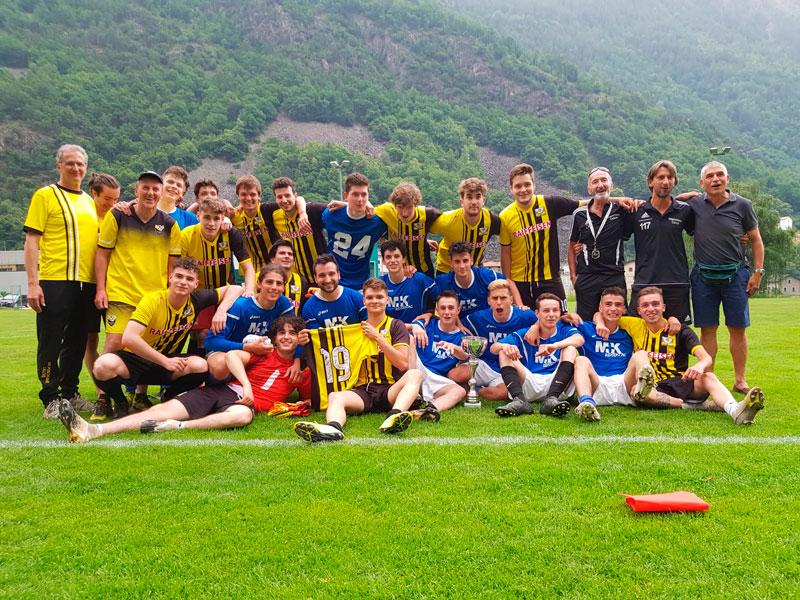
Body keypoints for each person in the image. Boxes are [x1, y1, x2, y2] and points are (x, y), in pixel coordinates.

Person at [55, 314, 311, 444]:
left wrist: (303, 397)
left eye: (293, 333)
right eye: (282, 333)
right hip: (224, 391)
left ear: (300, 337)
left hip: (245, 406)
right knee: (161, 410)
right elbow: (232, 356)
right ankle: (92, 430)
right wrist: (246, 385)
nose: (286, 337)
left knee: (242, 416)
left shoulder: (302, 370)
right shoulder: (264, 353)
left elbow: (313, 396)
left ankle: (176, 426)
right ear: (275, 337)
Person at [91, 257, 242, 419]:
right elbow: (129, 338)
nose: (183, 282)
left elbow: (235, 288)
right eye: (179, 276)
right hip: (137, 361)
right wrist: (164, 361)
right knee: (102, 365)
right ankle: (120, 402)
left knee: (200, 365)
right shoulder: (152, 300)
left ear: (195, 284)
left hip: (168, 362)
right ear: (170, 278)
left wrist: (221, 310)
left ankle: (169, 397)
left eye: (189, 279)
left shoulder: (196, 301)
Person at [597, 286, 764, 424]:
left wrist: (699, 366)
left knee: (708, 377)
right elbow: (602, 314)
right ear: (639, 310)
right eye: (645, 305)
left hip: (680, 381)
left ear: (663, 307)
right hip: (654, 387)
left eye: (655, 304)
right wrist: (599, 322)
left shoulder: (680, 330)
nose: (651, 309)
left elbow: (706, 358)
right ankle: (699, 406)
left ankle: (735, 410)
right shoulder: (633, 324)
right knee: (637, 392)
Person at [94, 170, 182, 413]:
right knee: (114, 342)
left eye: (155, 189)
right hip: (121, 292)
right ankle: (105, 398)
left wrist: (169, 294)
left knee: (146, 345)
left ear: (161, 193)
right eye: (145, 187)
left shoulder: (169, 224)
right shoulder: (118, 216)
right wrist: (101, 288)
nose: (150, 193)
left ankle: (140, 396)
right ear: (136, 191)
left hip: (153, 297)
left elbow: (173, 264)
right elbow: (102, 253)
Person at [294, 278, 423, 442]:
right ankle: (333, 428)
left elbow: (402, 363)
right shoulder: (355, 329)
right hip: (364, 391)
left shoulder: (396, 326)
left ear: (387, 300)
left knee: (414, 374)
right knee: (335, 396)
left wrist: (378, 338)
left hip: (390, 390)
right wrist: (306, 339)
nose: (374, 301)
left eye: (379, 297)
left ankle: (394, 417)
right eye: (370, 297)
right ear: (364, 301)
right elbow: (326, 342)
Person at [23, 144, 99, 417]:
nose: (76, 168)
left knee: (77, 341)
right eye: (70, 163)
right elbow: (32, 241)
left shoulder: (89, 201)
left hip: (86, 283)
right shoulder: (46, 195)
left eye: (80, 164)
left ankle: (70, 393)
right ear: (59, 166)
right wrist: (33, 284)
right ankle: (50, 397)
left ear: (86, 168)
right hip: (55, 280)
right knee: (50, 341)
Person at [688, 161, 765, 394]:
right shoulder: (694, 204)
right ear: (702, 183)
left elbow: (756, 240)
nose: (716, 179)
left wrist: (758, 273)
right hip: (703, 277)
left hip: (736, 276)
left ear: (727, 178)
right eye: (710, 176)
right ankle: (709, 380)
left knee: (737, 329)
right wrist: (689, 195)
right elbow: (675, 200)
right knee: (707, 330)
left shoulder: (743, 205)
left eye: (720, 174)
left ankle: (740, 381)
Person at [499, 163, 582, 310]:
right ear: (511, 189)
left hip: (551, 279)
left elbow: (589, 204)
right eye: (518, 186)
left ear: (534, 185)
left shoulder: (550, 203)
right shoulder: (505, 217)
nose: (523, 190)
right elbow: (506, 257)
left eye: (527, 184)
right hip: (521, 283)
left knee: (561, 320)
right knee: (526, 321)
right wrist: (512, 291)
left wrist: (619, 201)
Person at [181, 197, 255, 354]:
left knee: (215, 333)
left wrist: (249, 290)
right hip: (199, 294)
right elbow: (179, 269)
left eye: (216, 218)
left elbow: (248, 267)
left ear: (222, 219)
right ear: (198, 216)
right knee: (198, 335)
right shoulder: (187, 235)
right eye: (207, 217)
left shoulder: (230, 233)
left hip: (226, 292)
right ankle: (199, 367)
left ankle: (217, 366)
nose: (211, 223)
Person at [492, 293, 584, 417]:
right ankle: (519, 400)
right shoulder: (525, 333)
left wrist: (555, 346)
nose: (551, 314)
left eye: (555, 310)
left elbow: (579, 339)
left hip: (557, 385)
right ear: (537, 313)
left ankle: (551, 400)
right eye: (546, 311)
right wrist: (505, 346)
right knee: (504, 351)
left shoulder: (564, 329)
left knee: (570, 349)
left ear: (560, 313)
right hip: (530, 382)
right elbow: (494, 347)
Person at [625, 160, 694, 323]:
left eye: (670, 177)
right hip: (644, 283)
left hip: (677, 284)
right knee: (637, 332)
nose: (665, 182)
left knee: (677, 333)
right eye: (661, 177)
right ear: (650, 181)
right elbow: (614, 237)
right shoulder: (636, 211)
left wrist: (741, 235)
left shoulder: (684, 210)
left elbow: (705, 231)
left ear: (675, 181)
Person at [570, 287, 654, 422]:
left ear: (624, 309)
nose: (613, 309)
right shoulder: (586, 328)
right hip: (596, 383)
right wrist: (567, 316)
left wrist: (673, 319)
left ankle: (643, 389)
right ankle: (586, 402)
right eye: (608, 304)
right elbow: (558, 324)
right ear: (600, 308)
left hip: (624, 384)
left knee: (641, 354)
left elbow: (657, 324)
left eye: (618, 305)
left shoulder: (629, 331)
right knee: (581, 360)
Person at [205, 265, 296, 380]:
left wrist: (296, 362)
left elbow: (295, 332)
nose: (274, 287)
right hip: (225, 352)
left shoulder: (283, 303)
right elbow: (211, 342)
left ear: (283, 288)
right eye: (269, 282)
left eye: (279, 283)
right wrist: (247, 347)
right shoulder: (240, 306)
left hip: (257, 352)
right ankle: (219, 387)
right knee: (221, 365)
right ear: (259, 284)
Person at [569, 167, 629, 321]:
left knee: (618, 321)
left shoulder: (621, 210)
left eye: (604, 180)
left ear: (611, 185)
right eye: (595, 182)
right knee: (585, 323)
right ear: (589, 189)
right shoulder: (579, 214)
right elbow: (571, 247)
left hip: (614, 275)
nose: (600, 185)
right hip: (587, 276)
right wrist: (573, 276)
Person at [462, 279, 538, 401]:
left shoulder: (526, 316)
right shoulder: (478, 317)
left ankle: (475, 390)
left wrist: (536, 326)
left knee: (502, 393)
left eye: (503, 298)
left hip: (510, 367)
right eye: (494, 298)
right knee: (455, 375)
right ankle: (467, 386)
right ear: (488, 301)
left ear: (511, 300)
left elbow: (548, 323)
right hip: (485, 364)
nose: (499, 302)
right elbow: (455, 324)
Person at [83, 172, 121, 417]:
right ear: (94, 194)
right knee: (90, 340)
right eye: (107, 199)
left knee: (115, 339)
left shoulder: (118, 216)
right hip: (88, 284)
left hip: (114, 285)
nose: (111, 203)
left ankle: (112, 388)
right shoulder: (85, 215)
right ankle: (101, 391)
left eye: (116, 199)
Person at [408, 290, 469, 418]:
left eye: (451, 308)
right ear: (437, 310)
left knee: (459, 391)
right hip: (415, 368)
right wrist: (413, 327)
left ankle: (428, 411)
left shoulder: (462, 337)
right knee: (409, 338)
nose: (447, 312)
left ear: (458, 310)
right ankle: (412, 392)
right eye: (443, 308)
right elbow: (396, 328)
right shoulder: (427, 324)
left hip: (434, 378)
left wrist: (454, 348)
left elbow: (465, 355)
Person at [322, 172, 387, 289]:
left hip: (361, 285)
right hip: (333, 283)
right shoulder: (330, 215)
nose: (360, 199)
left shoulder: (378, 222)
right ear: (346, 196)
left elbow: (399, 233)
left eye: (364, 194)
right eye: (355, 194)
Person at [429, 178, 500, 275]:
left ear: (483, 201)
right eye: (469, 197)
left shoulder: (491, 220)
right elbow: (421, 226)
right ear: (462, 202)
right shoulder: (448, 220)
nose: (474, 202)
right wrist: (425, 240)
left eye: (478, 197)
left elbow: (509, 234)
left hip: (474, 269)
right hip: (447, 271)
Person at [374, 182, 442, 277]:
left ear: (416, 204)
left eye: (409, 207)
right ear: (394, 205)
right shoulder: (386, 211)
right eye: (400, 207)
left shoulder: (429, 214)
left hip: (424, 272)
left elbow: (449, 225)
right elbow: (363, 211)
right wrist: (379, 234)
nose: (404, 213)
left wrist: (423, 240)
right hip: (399, 272)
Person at [266, 177, 325, 282]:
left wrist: (302, 213)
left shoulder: (312, 211)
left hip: (321, 277)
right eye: (279, 197)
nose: (284, 200)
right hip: (296, 280)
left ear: (295, 196)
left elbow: (337, 208)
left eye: (287, 195)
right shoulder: (274, 216)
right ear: (275, 199)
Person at [434, 241, 504, 318]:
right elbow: (425, 287)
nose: (462, 266)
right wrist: (429, 314)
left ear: (471, 260)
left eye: (465, 261)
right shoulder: (442, 282)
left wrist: (515, 305)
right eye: (457, 262)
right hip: (458, 324)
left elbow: (509, 282)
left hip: (484, 322)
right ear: (451, 263)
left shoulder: (485, 276)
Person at [380, 240, 438, 324]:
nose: (393, 260)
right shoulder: (380, 284)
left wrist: (430, 315)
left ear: (403, 259)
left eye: (396, 256)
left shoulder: (420, 279)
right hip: (391, 331)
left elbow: (444, 298)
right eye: (388, 257)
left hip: (417, 330)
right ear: (383, 261)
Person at [302, 254, 366, 329]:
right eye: (322, 275)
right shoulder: (309, 308)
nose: (328, 280)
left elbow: (370, 328)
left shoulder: (357, 299)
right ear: (315, 278)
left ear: (338, 274)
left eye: (331, 274)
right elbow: (316, 336)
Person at [267, 240, 310, 315]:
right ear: (272, 259)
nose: (287, 256)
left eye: (290, 254)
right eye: (282, 253)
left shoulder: (301, 281)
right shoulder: (259, 278)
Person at [159, 166, 199, 230]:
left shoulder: (190, 219)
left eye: (179, 185)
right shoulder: (145, 212)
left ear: (182, 193)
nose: (174, 186)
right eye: (170, 182)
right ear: (160, 185)